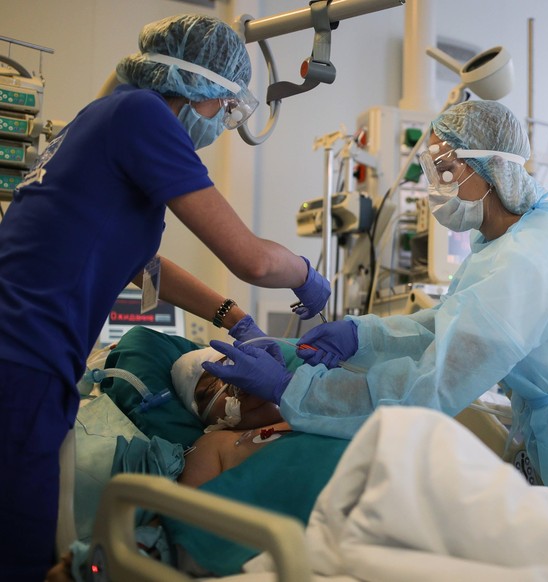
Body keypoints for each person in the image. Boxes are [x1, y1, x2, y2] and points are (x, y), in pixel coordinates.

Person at [206, 100, 548, 497]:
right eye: (431, 168)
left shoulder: (522, 263)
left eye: (445, 170)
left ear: (488, 171)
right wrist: (362, 333)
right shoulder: (527, 231)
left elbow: (427, 390)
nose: (434, 185)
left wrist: (293, 390)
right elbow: (448, 324)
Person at [0, 14, 331, 581]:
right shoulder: (142, 115)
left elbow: (139, 263)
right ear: (199, 88)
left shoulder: (105, 117)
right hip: (22, 359)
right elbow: (249, 256)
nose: (225, 124)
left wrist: (233, 317)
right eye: (227, 109)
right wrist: (306, 272)